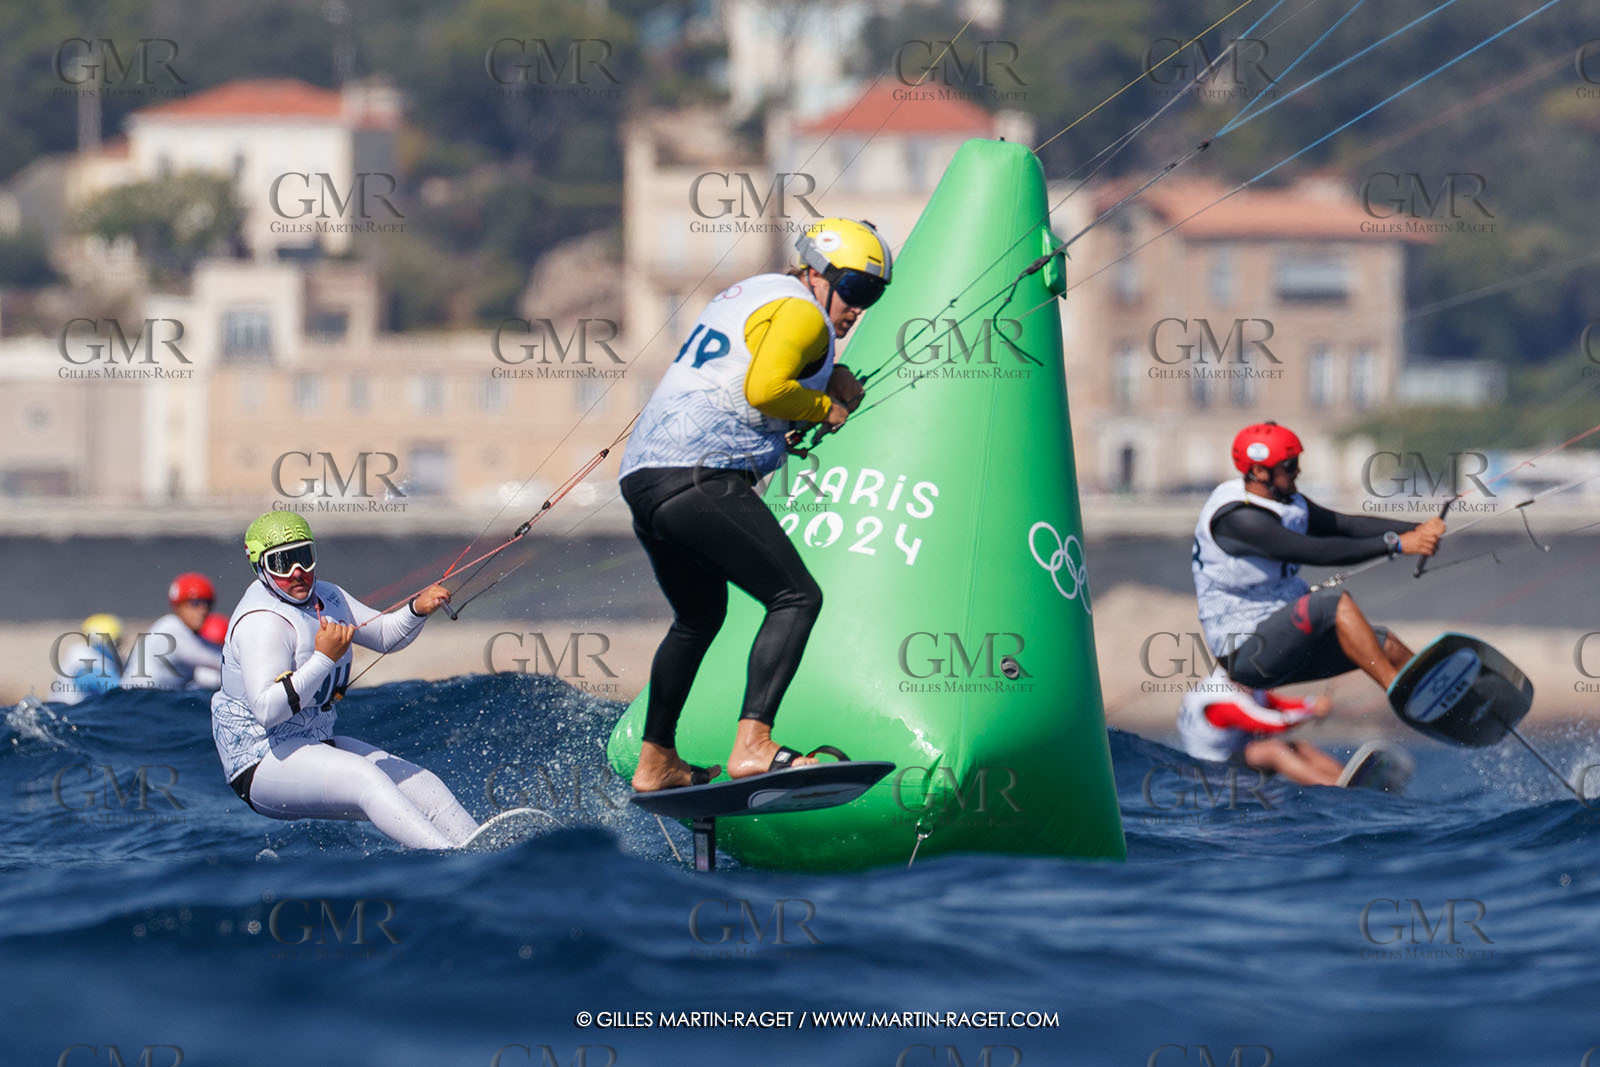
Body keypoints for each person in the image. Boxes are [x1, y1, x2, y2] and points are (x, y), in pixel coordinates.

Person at [618, 216, 891, 791]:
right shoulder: (803, 312)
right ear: (820, 273)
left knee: (698, 618)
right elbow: (764, 390)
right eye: (858, 289)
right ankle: (754, 746)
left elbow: (747, 379)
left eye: (874, 295)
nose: (858, 309)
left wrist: (822, 382)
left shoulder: (752, 293)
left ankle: (656, 761)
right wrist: (825, 409)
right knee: (796, 597)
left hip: (645, 480)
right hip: (699, 477)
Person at [209, 510, 480, 849]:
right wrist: (324, 658)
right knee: (366, 779)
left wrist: (416, 609)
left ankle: (482, 855)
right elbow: (267, 710)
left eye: (304, 557)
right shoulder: (261, 622)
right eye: (282, 563)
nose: (298, 572)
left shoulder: (329, 596)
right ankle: (448, 859)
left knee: (424, 785)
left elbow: (384, 636)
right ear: (259, 567)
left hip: (313, 744)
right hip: (260, 764)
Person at [1193, 421, 1446, 697]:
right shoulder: (1239, 520)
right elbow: (1316, 551)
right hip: (1248, 654)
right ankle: (1397, 693)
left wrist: (1416, 528)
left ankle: (1443, 708)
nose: (1298, 471)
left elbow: (1344, 525)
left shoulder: (1286, 502)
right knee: (1332, 605)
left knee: (1387, 646)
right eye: (1289, 466)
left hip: (1285, 637)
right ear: (1258, 471)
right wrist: (1397, 545)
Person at [1177, 665, 1344, 785]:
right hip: (1213, 766)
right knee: (1275, 751)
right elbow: (1271, 723)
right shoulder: (1224, 701)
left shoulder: (1244, 679)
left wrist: (1311, 704)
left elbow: (1276, 705)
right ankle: (1336, 788)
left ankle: (1345, 779)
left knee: (1299, 747)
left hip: (1234, 749)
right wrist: (1312, 712)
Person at [119, 572, 224, 692]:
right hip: (134, 698)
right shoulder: (170, 628)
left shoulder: (191, 636)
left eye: (207, 603)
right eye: (195, 603)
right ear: (178, 605)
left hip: (154, 700)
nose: (203, 610)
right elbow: (211, 660)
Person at [51, 613, 125, 705]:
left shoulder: (79, 654)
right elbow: (122, 696)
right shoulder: (90, 668)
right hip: (74, 716)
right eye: (118, 642)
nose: (120, 647)